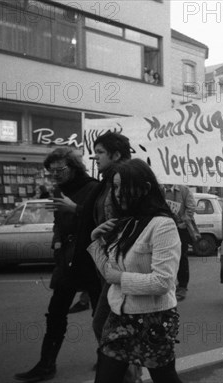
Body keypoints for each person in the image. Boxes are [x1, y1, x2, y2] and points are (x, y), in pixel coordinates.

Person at [87, 159, 182, 383]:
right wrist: (96, 241)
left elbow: (163, 282)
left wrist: (119, 278)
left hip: (153, 321)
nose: (118, 193)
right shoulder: (124, 223)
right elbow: (108, 271)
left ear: (146, 188)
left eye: (124, 186)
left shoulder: (163, 225)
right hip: (118, 318)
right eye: (116, 187)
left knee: (165, 378)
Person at [15, 148, 101, 382]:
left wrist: (75, 209)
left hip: (91, 260)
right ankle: (46, 364)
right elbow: (58, 222)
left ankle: (107, 359)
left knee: (100, 315)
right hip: (67, 260)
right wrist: (57, 240)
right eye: (51, 171)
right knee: (55, 313)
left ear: (74, 167)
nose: (55, 174)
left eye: (60, 169)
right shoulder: (59, 189)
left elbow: (102, 220)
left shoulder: (93, 187)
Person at [75, 132, 141, 382]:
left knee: (104, 324)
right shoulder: (105, 181)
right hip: (106, 264)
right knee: (110, 326)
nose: (95, 156)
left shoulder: (123, 179)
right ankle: (130, 374)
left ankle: (128, 375)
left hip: (120, 265)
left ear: (115, 154)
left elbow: (132, 220)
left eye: (100, 152)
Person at [162, 184, 196, 301]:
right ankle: (168, 284)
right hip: (164, 228)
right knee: (165, 257)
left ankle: (182, 286)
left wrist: (184, 222)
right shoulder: (159, 189)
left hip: (180, 228)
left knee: (181, 256)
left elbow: (191, 207)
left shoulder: (183, 190)